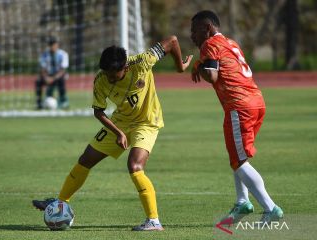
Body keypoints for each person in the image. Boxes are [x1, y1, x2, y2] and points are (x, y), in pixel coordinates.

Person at [32, 36, 193, 231]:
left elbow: (173, 41)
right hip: (120, 122)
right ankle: (59, 203)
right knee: (86, 159)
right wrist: (118, 132)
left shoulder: (142, 62)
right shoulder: (101, 79)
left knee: (134, 166)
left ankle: (153, 221)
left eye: (113, 74)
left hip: (147, 122)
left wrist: (179, 66)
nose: (109, 78)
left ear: (125, 68)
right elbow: (98, 111)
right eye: (106, 73)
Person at [190, 10, 283, 224]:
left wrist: (198, 64)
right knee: (237, 157)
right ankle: (242, 202)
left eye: (194, 30)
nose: (192, 36)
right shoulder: (230, 42)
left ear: (207, 28)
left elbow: (212, 75)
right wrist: (200, 63)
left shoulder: (209, 44)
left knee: (239, 161)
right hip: (256, 102)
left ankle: (270, 208)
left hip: (239, 106)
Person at [35, 36, 69, 110]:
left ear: (57, 45)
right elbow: (42, 68)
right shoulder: (44, 55)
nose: (52, 46)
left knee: (61, 79)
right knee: (38, 81)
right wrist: (46, 77)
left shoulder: (63, 54)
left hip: (58, 76)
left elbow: (63, 70)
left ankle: (63, 101)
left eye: (54, 44)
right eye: (51, 45)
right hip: (48, 76)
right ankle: (39, 102)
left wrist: (53, 78)